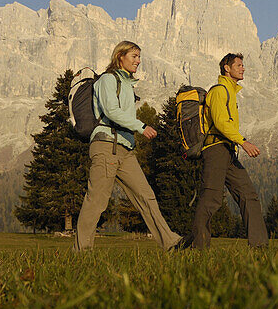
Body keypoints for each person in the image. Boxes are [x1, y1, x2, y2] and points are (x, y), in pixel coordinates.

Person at [74, 41, 182, 251]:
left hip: (124, 148)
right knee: (96, 201)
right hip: (107, 145)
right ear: (120, 56)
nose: (138, 61)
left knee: (146, 195)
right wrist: (141, 126)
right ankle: (81, 252)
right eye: (134, 56)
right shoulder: (108, 79)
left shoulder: (126, 84)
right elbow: (112, 111)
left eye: (139, 57)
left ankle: (170, 243)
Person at [183, 52, 268, 249]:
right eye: (238, 65)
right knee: (211, 198)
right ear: (226, 68)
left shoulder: (230, 91)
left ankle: (259, 246)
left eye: (242, 65)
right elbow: (221, 122)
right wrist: (243, 142)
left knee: (248, 195)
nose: (243, 68)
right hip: (215, 149)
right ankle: (198, 247)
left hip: (227, 150)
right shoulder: (219, 91)